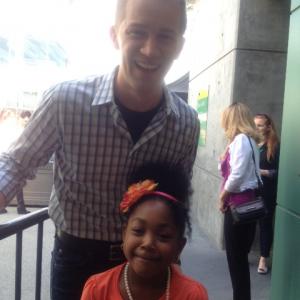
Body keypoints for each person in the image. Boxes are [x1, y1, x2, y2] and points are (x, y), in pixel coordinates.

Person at [0, 0, 199, 299]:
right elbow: (16, 163)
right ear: (115, 35)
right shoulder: (65, 101)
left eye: (165, 36)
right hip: (77, 259)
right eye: (137, 32)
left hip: (149, 265)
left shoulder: (186, 124)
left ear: (179, 46)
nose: (149, 49)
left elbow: (175, 200)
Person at [81, 163, 208, 300]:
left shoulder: (192, 295)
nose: (148, 243)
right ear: (124, 234)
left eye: (163, 236)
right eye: (138, 230)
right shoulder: (97, 290)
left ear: (179, 247)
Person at [218, 102, 261, 300]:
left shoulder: (242, 140)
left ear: (233, 118)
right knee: (239, 260)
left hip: (238, 206)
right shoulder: (247, 140)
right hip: (246, 203)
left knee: (236, 261)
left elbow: (236, 175)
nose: (223, 122)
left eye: (226, 117)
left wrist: (223, 196)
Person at [254, 113, 280, 274]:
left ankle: (263, 258)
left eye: (260, 125)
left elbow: (280, 172)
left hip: (267, 192)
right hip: (251, 191)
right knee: (247, 222)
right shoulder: (252, 142)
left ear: (268, 127)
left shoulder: (275, 146)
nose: (256, 128)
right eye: (254, 125)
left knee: (265, 225)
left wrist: (261, 172)